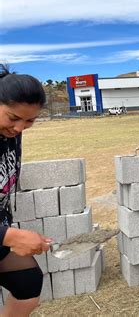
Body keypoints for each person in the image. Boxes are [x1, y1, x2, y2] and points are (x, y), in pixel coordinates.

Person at [0, 65, 51, 316]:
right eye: (13, 118)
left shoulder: (10, 134)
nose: (19, 128)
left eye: (29, 120)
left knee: (28, 282)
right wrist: (9, 237)